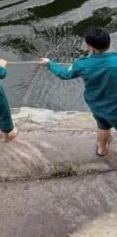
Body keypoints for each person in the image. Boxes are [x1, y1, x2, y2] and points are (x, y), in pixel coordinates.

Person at [40, 27, 117, 157]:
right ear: (108, 43)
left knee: (103, 125)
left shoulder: (80, 64)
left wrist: (49, 64)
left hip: (97, 104)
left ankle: (102, 149)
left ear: (89, 47)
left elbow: (64, 74)